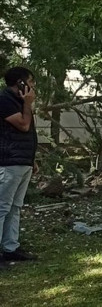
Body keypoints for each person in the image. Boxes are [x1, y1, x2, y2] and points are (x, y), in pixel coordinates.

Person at [0, 67, 38, 269]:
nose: (33, 86)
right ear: (20, 84)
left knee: (15, 207)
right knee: (2, 207)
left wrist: (31, 159)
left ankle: (10, 247)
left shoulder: (20, 103)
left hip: (22, 161)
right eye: (30, 82)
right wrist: (28, 104)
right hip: (9, 162)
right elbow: (23, 125)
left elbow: (27, 134)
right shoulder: (5, 101)